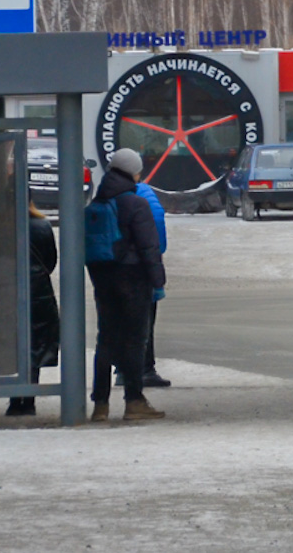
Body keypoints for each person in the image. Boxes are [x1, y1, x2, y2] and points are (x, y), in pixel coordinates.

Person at [87, 148, 166, 421]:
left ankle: (100, 405)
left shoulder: (98, 201)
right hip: (132, 278)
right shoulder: (135, 203)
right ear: (134, 172)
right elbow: (149, 248)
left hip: (103, 277)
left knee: (105, 339)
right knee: (134, 340)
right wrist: (158, 282)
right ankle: (134, 401)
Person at [4, 202, 59, 417]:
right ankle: (29, 400)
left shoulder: (2, 226)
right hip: (39, 291)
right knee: (35, 344)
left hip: (8, 290)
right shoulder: (42, 225)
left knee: (13, 343)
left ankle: (14, 399)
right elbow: (50, 260)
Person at [135, 180, 171, 389]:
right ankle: (145, 369)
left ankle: (121, 369)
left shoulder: (106, 193)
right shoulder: (143, 192)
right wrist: (157, 250)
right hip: (140, 265)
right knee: (145, 318)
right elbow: (156, 217)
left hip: (109, 269)